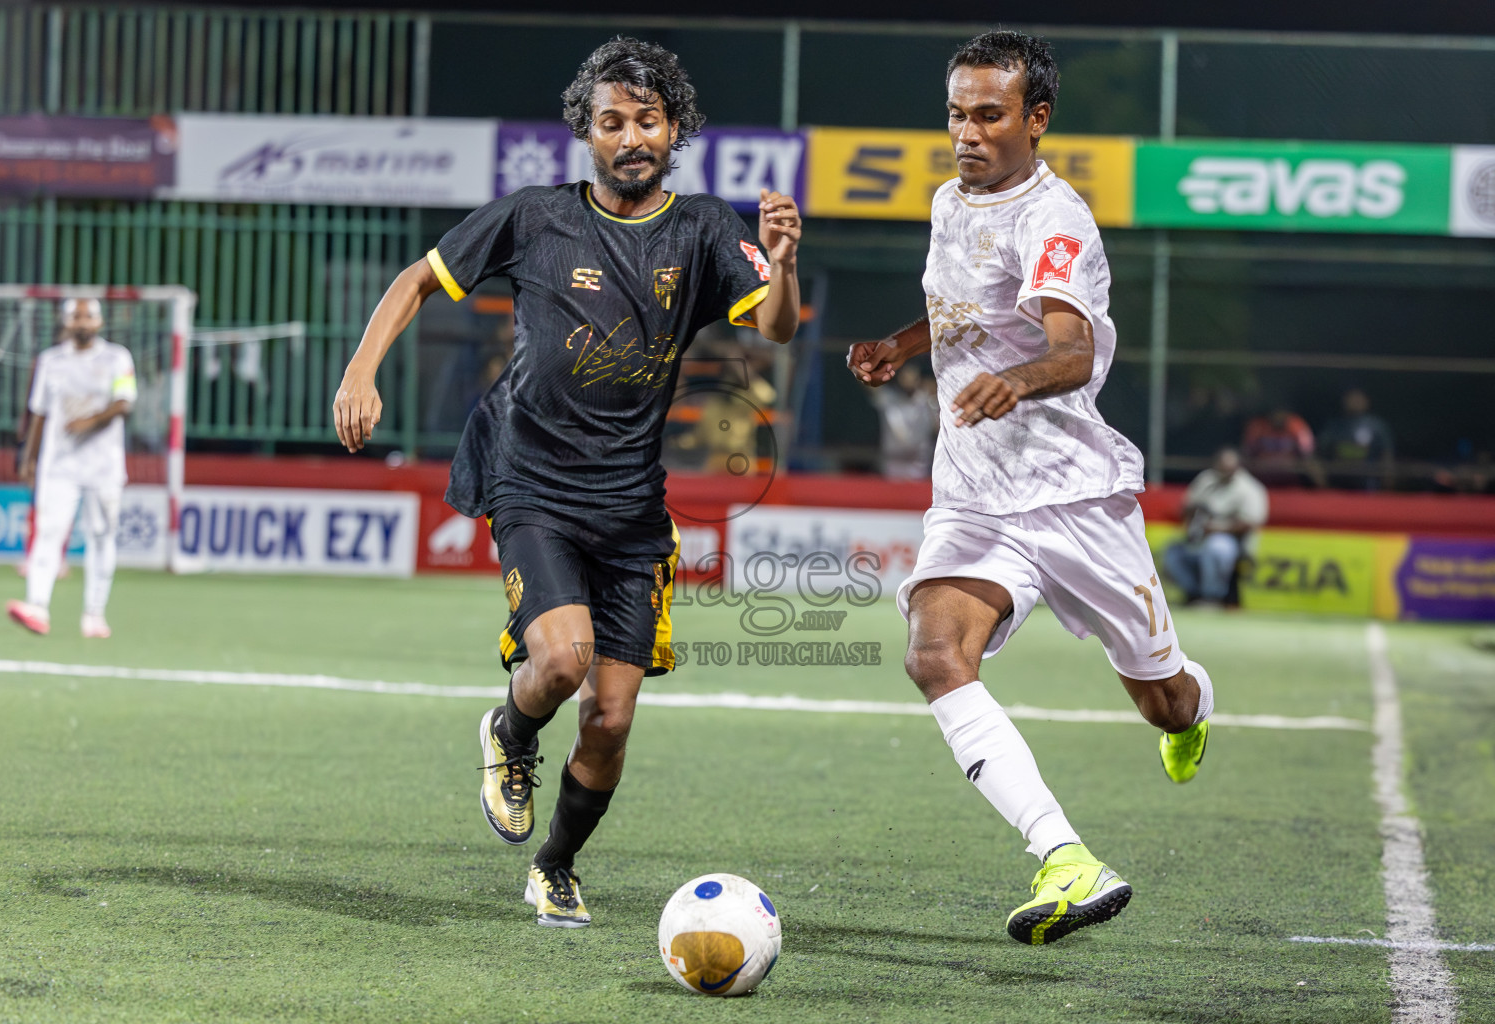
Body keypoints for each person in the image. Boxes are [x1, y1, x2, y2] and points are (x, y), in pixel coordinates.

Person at [332, 37, 801, 928]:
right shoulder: (534, 216)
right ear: (586, 133)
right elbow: (415, 281)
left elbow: (775, 327)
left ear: (675, 131)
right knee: (560, 660)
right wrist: (362, 371)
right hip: (533, 480)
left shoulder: (704, 228)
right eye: (612, 121)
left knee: (612, 720)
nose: (631, 136)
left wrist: (780, 259)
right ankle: (510, 732)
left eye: (648, 121)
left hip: (631, 507)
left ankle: (556, 866)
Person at [847, 30, 1214, 946]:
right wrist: (901, 345)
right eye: (956, 115)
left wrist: (1021, 379)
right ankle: (1066, 860)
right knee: (934, 655)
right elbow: (961, 312)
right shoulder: (947, 201)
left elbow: (1072, 346)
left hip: (1074, 498)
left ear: (1036, 119)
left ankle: (1191, 705)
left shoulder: (1056, 220)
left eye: (988, 115)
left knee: (1161, 699)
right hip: (974, 494)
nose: (966, 134)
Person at [7, 298, 137, 638]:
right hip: (60, 465)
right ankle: (37, 606)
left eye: (88, 316)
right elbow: (39, 412)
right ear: (65, 323)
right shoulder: (51, 362)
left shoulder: (117, 358)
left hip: (103, 465)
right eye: (75, 316)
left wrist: (91, 420)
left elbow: (124, 402)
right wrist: (29, 457)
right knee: (49, 532)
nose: (82, 322)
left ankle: (94, 614)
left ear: (99, 322)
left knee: (101, 535)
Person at [1163, 447, 1268, 605]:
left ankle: (1212, 597)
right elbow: (1186, 507)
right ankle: (1193, 594)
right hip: (1198, 539)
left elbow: (1249, 524)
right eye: (1221, 468)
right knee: (1172, 553)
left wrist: (1215, 529)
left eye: (1229, 469)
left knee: (1216, 547)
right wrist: (1193, 513)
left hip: (1232, 542)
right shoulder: (1207, 479)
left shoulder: (1250, 488)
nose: (1224, 472)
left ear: (1238, 467)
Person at [871, 364, 941, 479]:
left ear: (918, 379)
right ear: (899, 378)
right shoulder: (889, 398)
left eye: (912, 377)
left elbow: (936, 427)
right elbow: (871, 387)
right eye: (905, 377)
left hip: (919, 462)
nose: (908, 381)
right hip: (893, 461)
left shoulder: (926, 398)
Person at [1317, 388, 1394, 490]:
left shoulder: (1377, 426)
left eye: (1358, 398)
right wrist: (1323, 484)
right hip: (1338, 486)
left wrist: (1388, 483)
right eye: (1351, 398)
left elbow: (1386, 455)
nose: (1355, 401)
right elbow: (1318, 455)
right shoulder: (1334, 427)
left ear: (1366, 401)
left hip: (1369, 486)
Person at [1242, 406, 1321, 488]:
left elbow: (1307, 450)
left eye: (1281, 413)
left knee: (1314, 467)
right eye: (1275, 413)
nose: (1278, 417)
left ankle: (1320, 492)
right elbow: (1248, 450)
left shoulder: (1296, 425)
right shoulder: (1258, 426)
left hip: (1291, 466)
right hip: (1263, 467)